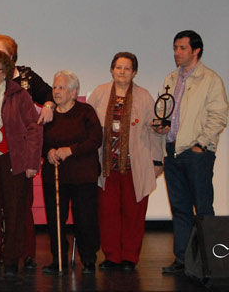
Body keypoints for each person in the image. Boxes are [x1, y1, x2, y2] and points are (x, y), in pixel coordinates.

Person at [0, 34, 53, 268]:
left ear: (6, 69)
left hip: (14, 160)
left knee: (15, 213)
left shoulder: (20, 94)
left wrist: (32, 162)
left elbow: (34, 130)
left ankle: (13, 260)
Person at [153, 30, 228, 274]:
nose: (176, 52)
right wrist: (160, 124)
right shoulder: (171, 79)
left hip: (196, 153)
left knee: (204, 209)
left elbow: (219, 116)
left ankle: (213, 264)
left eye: (182, 48)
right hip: (173, 151)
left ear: (196, 50)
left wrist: (201, 145)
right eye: (175, 47)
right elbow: (165, 111)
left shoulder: (210, 79)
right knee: (180, 209)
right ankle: (183, 260)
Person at [87, 52, 163, 271]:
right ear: (112, 69)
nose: (122, 72)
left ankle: (129, 257)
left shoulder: (145, 96)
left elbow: (155, 131)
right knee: (108, 214)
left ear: (134, 72)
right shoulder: (100, 93)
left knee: (134, 213)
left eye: (127, 68)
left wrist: (157, 161)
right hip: (107, 167)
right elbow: (88, 125)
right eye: (118, 67)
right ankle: (111, 256)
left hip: (135, 167)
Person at [41, 70, 102, 274]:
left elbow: (95, 140)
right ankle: (59, 259)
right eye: (55, 87)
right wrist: (48, 151)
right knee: (55, 219)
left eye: (61, 88)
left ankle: (88, 259)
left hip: (82, 176)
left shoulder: (86, 112)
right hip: (55, 176)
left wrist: (70, 150)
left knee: (85, 219)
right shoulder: (48, 114)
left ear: (74, 92)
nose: (56, 92)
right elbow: (38, 141)